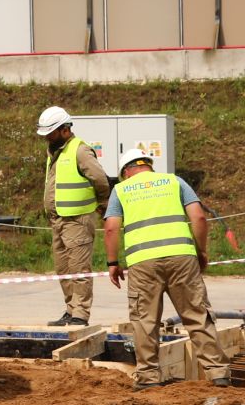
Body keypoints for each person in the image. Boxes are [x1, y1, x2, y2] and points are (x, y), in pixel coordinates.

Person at [103, 148, 231, 389]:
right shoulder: (175, 181)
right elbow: (199, 218)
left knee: (145, 320)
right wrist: (201, 251)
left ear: (126, 171)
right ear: (149, 166)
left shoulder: (121, 190)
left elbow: (111, 228)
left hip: (142, 263)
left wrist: (113, 262)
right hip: (182, 258)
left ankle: (148, 378)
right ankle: (218, 373)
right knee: (197, 314)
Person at [36, 105, 110, 325]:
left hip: (77, 219)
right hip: (58, 220)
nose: (47, 138)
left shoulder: (79, 150)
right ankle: (70, 309)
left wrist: (103, 203)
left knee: (79, 269)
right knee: (63, 269)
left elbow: (100, 179)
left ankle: (80, 314)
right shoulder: (54, 152)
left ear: (64, 130)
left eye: (50, 133)